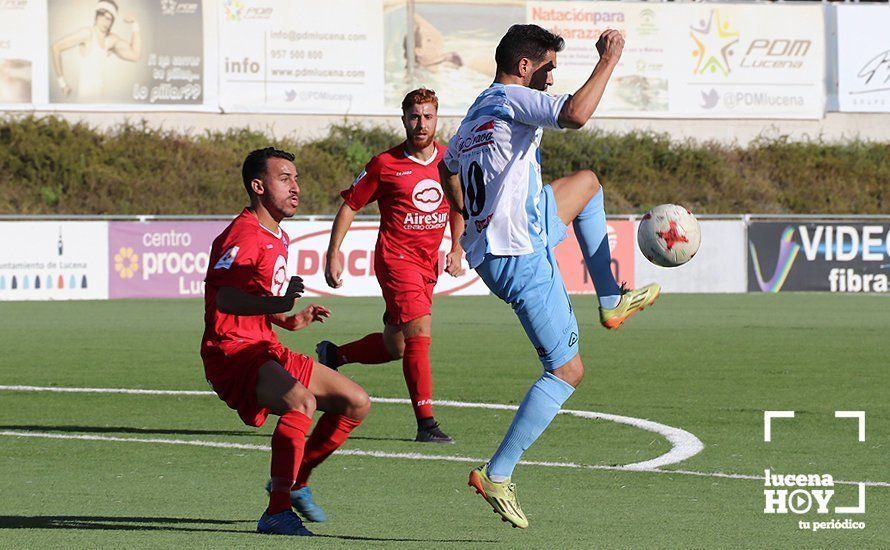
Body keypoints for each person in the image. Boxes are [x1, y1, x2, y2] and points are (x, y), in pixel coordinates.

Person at [440, 25, 661, 529]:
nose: (551, 77)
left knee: (587, 183)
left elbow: (447, 167)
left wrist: (471, 214)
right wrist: (608, 60)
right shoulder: (514, 98)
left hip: (507, 234)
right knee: (567, 371)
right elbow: (576, 114)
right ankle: (497, 473)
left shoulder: (477, 109)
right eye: (547, 68)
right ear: (523, 66)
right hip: (518, 254)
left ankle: (610, 299)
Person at [202, 147, 371, 536]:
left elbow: (258, 298)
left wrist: (290, 319)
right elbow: (226, 298)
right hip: (232, 352)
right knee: (302, 402)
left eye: (296, 178)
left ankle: (296, 481)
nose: (296, 187)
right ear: (258, 186)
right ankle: (276, 512)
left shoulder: (277, 234)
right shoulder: (242, 235)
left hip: (264, 346)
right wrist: (277, 302)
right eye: (285, 179)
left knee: (356, 403)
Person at [316, 88, 464, 444]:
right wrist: (333, 252)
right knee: (419, 337)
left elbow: (459, 206)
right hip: (396, 261)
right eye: (414, 116)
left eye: (427, 116)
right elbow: (351, 205)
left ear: (436, 119)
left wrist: (457, 247)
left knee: (397, 345)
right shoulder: (384, 164)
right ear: (404, 120)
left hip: (427, 263)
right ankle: (426, 423)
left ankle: (333, 354)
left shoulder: (449, 161)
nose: (421, 124)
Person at [51, 0, 141, 101]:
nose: (105, 22)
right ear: (96, 15)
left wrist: (134, 25)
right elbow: (56, 47)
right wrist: (62, 83)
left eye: (109, 19)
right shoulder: (87, 33)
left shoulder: (111, 40)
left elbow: (135, 56)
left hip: (102, 100)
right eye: (103, 17)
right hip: (85, 100)